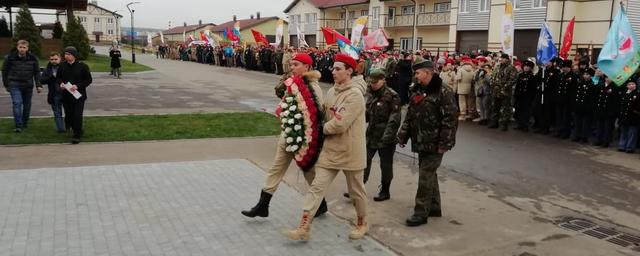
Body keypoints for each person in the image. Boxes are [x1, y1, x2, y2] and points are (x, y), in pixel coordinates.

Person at [285, 54, 368, 241]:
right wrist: (302, 113)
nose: (333, 71)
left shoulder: (355, 95)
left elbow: (339, 124)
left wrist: (319, 129)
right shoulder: (332, 92)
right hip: (331, 150)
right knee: (316, 187)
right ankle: (304, 227)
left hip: (351, 151)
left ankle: (362, 223)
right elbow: (323, 113)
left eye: (338, 69)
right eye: (333, 68)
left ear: (349, 71)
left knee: (356, 191)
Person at [241, 53, 328, 219]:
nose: (292, 67)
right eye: (292, 64)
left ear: (307, 67)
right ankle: (262, 205)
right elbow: (286, 101)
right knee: (276, 169)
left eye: (296, 64)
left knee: (309, 171)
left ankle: (321, 203)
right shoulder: (292, 83)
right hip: (287, 135)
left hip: (303, 138)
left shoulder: (313, 87)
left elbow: (314, 114)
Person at [397, 58, 458, 227]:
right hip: (421, 141)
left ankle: (420, 212)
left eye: (417, 73)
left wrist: (445, 143)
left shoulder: (443, 92)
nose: (415, 76)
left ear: (428, 72)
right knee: (430, 174)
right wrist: (403, 136)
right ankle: (435, 208)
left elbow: (450, 120)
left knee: (425, 176)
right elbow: (410, 115)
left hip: (435, 142)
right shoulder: (417, 90)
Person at [343, 69, 401, 201]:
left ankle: (385, 191)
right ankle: (357, 190)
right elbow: (367, 113)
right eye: (371, 82)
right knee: (364, 162)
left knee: (385, 165)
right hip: (371, 135)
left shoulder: (392, 96)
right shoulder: (372, 94)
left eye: (375, 82)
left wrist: (387, 138)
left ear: (383, 80)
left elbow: (394, 119)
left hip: (386, 138)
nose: (373, 85)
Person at [1, 40, 43, 133]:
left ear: (27, 48)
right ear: (17, 47)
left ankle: (24, 123)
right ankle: (18, 125)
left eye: (24, 47)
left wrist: (38, 85)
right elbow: (4, 71)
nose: (22, 49)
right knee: (17, 103)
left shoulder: (33, 58)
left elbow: (36, 72)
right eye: (20, 47)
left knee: (27, 105)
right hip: (14, 84)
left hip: (28, 85)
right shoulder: (10, 58)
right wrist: (6, 84)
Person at [56, 46, 92, 144]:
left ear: (74, 55)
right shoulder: (62, 66)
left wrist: (78, 86)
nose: (67, 56)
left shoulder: (82, 66)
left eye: (69, 54)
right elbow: (58, 78)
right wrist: (61, 84)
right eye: (65, 54)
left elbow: (88, 80)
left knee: (77, 115)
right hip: (66, 95)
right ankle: (78, 129)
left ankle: (77, 135)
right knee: (69, 116)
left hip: (78, 95)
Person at [488, 54, 518, 131]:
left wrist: (504, 87)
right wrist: (491, 83)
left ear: (507, 59)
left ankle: (504, 124)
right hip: (495, 90)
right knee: (495, 107)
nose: (501, 60)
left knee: (505, 108)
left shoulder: (511, 68)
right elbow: (492, 76)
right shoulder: (497, 67)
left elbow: (513, 79)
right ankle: (494, 122)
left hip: (505, 91)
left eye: (503, 58)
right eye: (501, 58)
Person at [40, 52, 66, 133]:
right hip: (54, 94)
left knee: (69, 112)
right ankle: (61, 129)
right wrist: (52, 76)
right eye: (52, 59)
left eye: (55, 59)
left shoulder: (65, 67)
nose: (54, 61)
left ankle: (69, 126)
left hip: (66, 93)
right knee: (57, 113)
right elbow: (42, 80)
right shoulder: (47, 69)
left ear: (60, 59)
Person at [593, 74, 620, 147]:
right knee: (599, 126)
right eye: (607, 77)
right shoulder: (601, 86)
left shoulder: (615, 87)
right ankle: (598, 140)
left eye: (610, 77)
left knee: (607, 127)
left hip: (609, 111)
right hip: (600, 109)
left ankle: (606, 141)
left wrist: (614, 112)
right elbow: (597, 97)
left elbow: (616, 101)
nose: (608, 79)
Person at [571, 68, 597, 143]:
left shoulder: (592, 85)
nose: (585, 76)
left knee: (585, 123)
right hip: (579, 106)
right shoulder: (580, 83)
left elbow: (592, 98)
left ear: (591, 76)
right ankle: (577, 135)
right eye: (584, 74)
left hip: (586, 107)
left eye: (587, 74)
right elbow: (577, 95)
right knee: (577, 122)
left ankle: (584, 137)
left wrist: (589, 107)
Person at [555, 60, 578, 139]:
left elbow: (574, 90)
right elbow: (558, 87)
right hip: (560, 99)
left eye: (565, 67)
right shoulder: (561, 75)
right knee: (559, 117)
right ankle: (559, 131)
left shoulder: (573, 76)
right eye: (563, 67)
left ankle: (566, 133)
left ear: (569, 67)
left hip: (567, 101)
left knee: (566, 118)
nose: (564, 69)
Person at [513, 60, 539, 131]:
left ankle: (525, 125)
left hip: (527, 97)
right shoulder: (521, 75)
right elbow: (517, 86)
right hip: (520, 96)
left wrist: (531, 98)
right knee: (519, 111)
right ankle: (520, 124)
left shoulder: (532, 77)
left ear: (531, 68)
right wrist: (516, 95)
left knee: (526, 112)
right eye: (525, 66)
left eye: (528, 66)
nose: (526, 68)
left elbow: (533, 89)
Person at [618, 80, 639, 153]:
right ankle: (622, 146)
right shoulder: (624, 93)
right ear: (627, 86)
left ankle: (630, 147)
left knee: (632, 133)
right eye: (629, 84)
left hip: (633, 116)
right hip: (624, 115)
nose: (631, 85)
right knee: (624, 131)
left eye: (633, 84)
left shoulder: (637, 94)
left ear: (635, 86)